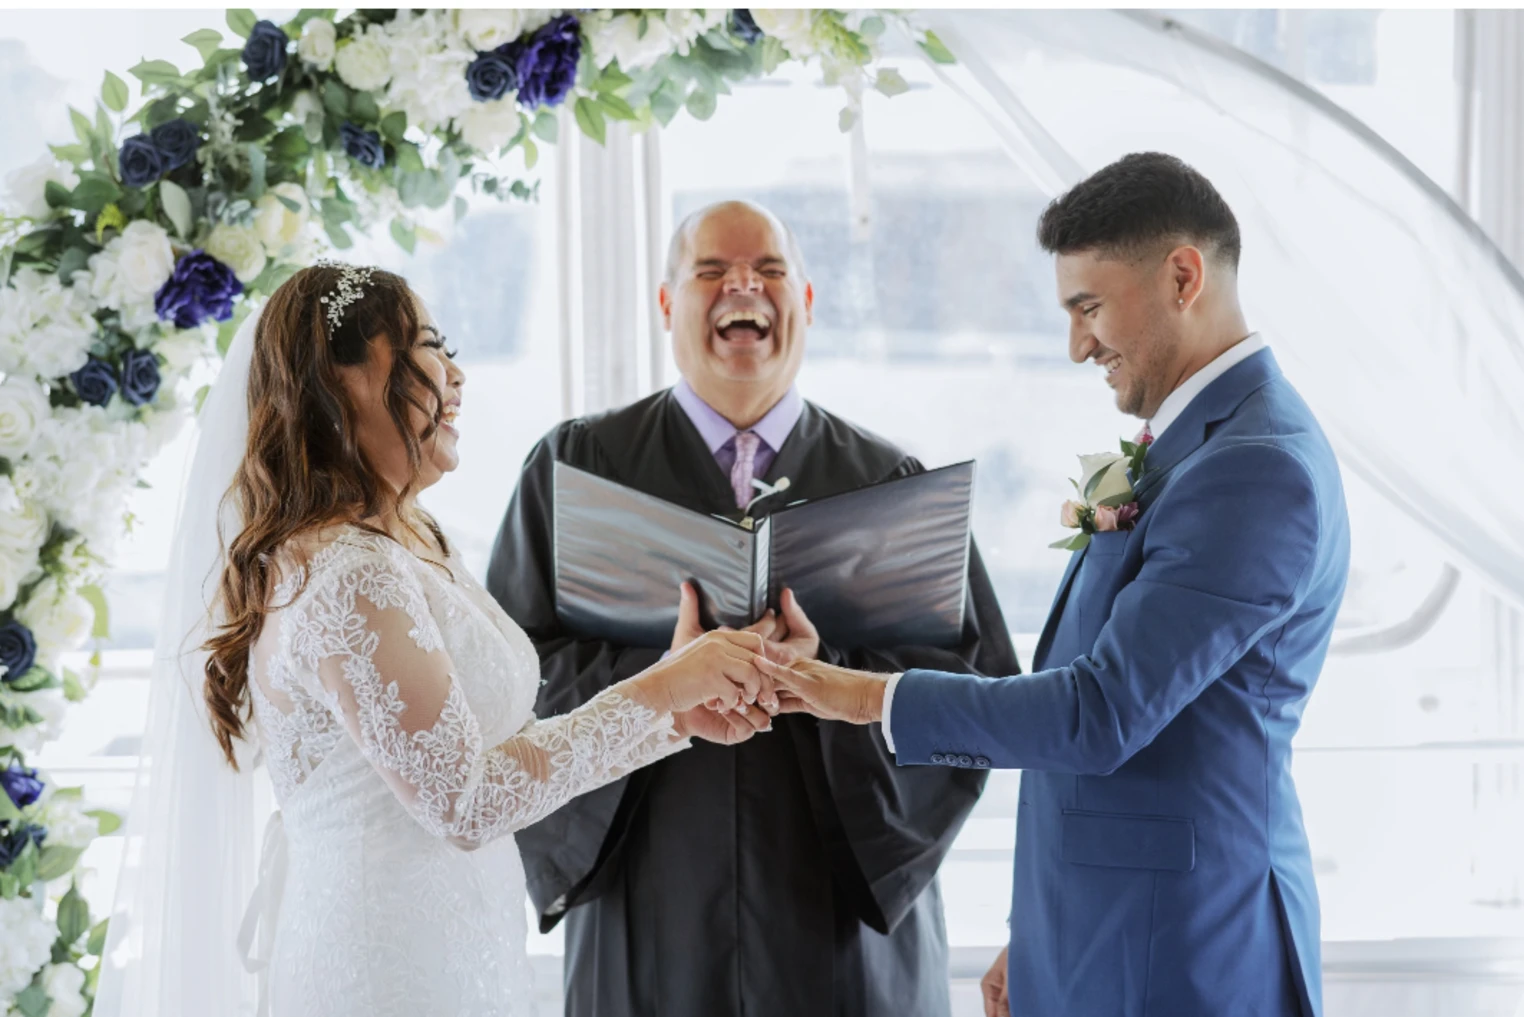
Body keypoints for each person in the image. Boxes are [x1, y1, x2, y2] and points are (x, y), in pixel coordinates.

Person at [757, 154, 1352, 1017]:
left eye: (1089, 307)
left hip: (1186, 947)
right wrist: (1042, 925)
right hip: (1114, 924)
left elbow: (1099, 712)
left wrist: (857, 695)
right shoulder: (1196, 446)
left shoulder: (1257, 468)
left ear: (1183, 276)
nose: (1078, 345)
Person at [153, 263, 773, 1017]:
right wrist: (662, 687)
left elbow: (498, 755)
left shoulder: (411, 538)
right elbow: (467, 803)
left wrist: (670, 717)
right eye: (428, 345)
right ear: (340, 380)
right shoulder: (349, 574)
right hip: (386, 970)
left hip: (453, 945)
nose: (456, 374)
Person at [489, 200, 1021, 1016]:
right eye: (712, 270)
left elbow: (973, 696)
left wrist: (826, 676)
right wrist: (666, 680)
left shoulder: (889, 483)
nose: (744, 286)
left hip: (839, 928)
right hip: (651, 901)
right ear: (667, 303)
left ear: (806, 300)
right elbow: (504, 678)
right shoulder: (577, 465)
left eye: (770, 270)